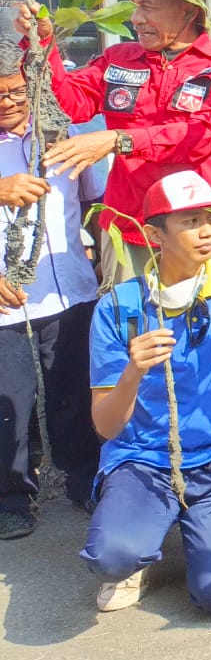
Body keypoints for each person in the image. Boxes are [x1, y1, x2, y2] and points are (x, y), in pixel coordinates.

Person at [81, 170, 211, 615]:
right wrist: (133, 370)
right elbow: (106, 425)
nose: (207, 231)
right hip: (144, 458)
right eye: (189, 221)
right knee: (112, 558)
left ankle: (205, 527)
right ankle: (142, 549)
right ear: (153, 233)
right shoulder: (118, 307)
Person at [28, 0, 211, 283]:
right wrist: (42, 44)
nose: (136, 19)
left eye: (148, 7)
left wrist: (118, 140)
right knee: (133, 329)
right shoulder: (118, 59)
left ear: (188, 12)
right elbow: (72, 105)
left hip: (203, 225)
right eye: (134, 6)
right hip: (130, 224)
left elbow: (204, 134)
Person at [0, 61, 104, 536]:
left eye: (17, 89)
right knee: (11, 405)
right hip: (6, 300)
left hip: (70, 289)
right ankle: (12, 496)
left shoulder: (62, 135)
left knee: (74, 394)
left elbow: (96, 201)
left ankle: (84, 479)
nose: (8, 100)